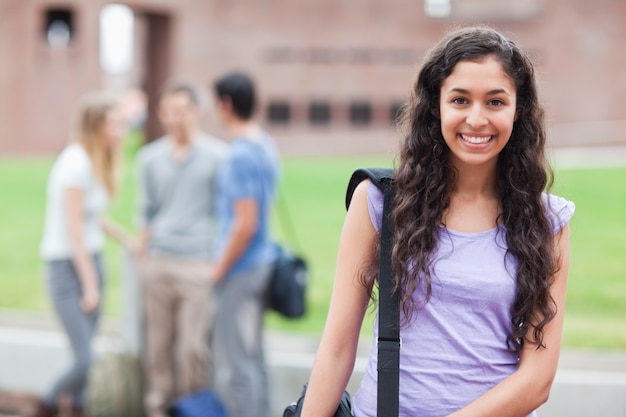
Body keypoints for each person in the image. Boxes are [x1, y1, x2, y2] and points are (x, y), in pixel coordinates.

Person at [300, 26, 575, 417]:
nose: (476, 119)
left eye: (495, 102)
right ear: (436, 106)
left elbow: (537, 380)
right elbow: (337, 347)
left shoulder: (548, 221)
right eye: (460, 99)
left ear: (519, 110)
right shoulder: (380, 201)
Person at [36, 92, 136, 417]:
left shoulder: (92, 160)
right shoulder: (75, 162)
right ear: (97, 126)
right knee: (84, 360)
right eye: (116, 124)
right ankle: (44, 405)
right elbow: (74, 229)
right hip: (68, 266)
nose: (122, 130)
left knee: (85, 356)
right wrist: (89, 283)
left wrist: (125, 238)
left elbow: (92, 216)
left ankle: (76, 408)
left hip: (90, 261)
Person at [136, 83, 227, 417]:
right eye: (168, 111)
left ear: (196, 111)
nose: (175, 118)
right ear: (160, 114)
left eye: (182, 110)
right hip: (158, 260)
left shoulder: (219, 156)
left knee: (192, 348)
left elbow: (227, 214)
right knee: (158, 346)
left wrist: (216, 261)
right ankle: (157, 408)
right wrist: (144, 259)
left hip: (197, 264)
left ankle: (191, 408)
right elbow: (144, 210)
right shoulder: (149, 158)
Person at [210, 72, 281, 417]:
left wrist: (219, 270)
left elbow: (246, 221)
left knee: (238, 363)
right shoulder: (264, 144)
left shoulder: (238, 154)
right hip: (262, 262)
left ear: (225, 105)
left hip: (241, 268)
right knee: (254, 356)